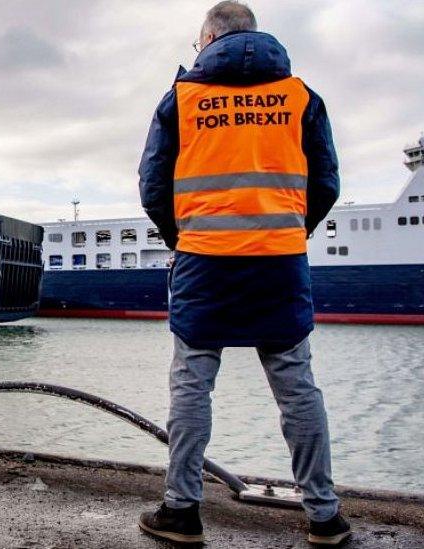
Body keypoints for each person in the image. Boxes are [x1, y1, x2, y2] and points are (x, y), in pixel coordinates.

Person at [137, 1, 350, 545]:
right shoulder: (301, 97)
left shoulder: (181, 100)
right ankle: (324, 516)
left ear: (208, 37)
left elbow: (153, 185)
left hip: (204, 262)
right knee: (297, 387)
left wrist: (184, 238)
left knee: (191, 385)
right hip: (279, 262)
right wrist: (287, 231)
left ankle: (181, 511)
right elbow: (325, 181)